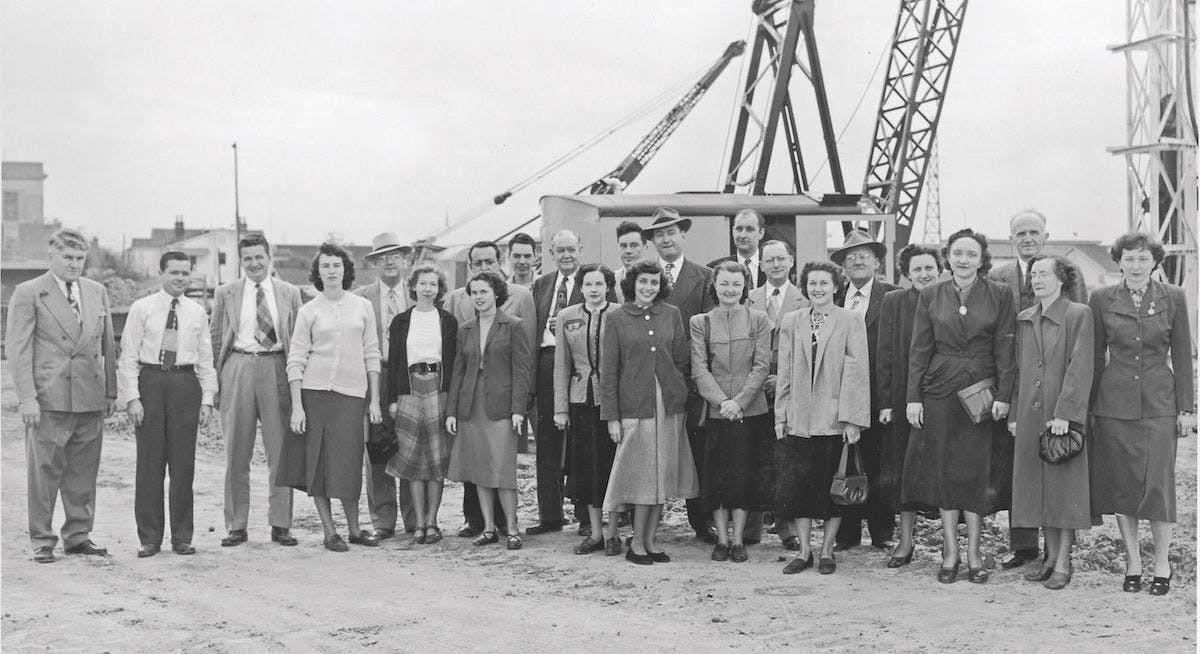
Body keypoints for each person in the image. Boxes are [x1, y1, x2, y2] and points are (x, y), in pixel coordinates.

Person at [905, 228, 1017, 584]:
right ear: (948, 257)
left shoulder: (999, 294)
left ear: (981, 259)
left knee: (975, 473)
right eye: (957, 253)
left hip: (981, 395)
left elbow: (1005, 349)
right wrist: (912, 397)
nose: (963, 260)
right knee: (945, 472)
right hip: (939, 392)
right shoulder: (931, 293)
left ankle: (974, 554)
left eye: (971, 254)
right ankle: (950, 553)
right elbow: (919, 349)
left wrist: (1004, 396)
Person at [1088, 231, 1194, 596]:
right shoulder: (1101, 299)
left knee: (1158, 486)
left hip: (1160, 405)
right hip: (1114, 407)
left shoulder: (1173, 297)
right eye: (1129, 258)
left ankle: (1161, 562)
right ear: (1118, 261)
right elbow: (1094, 358)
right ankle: (1133, 560)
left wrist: (1186, 408)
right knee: (1124, 486)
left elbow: (1182, 356)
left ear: (1154, 262)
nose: (1136, 265)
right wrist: (1090, 410)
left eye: (1143, 258)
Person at [6, 228, 117, 563]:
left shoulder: (97, 291)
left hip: (89, 397)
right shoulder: (29, 293)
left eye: (80, 258)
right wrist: (27, 398)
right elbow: (18, 349)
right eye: (67, 258)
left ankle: (78, 535)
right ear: (51, 257)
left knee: (83, 471)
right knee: (44, 472)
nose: (74, 264)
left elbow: (107, 344)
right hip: (49, 399)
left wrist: (110, 391)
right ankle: (42, 538)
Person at [988, 208, 1088, 569]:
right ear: (1011, 238)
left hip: (1058, 383)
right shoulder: (999, 276)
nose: (1027, 238)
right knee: (1022, 471)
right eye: (1021, 233)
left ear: (1046, 236)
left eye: (1034, 232)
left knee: (1057, 463)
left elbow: (1080, 331)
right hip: (1018, 382)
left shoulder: (1067, 275)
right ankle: (1024, 545)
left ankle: (1057, 554)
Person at [280, 243, 383, 552]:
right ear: (318, 271)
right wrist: (298, 407)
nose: (331, 270)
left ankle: (354, 529)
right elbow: (296, 359)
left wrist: (374, 400)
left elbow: (372, 353)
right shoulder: (308, 310)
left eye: (336, 265)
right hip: (315, 395)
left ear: (345, 269)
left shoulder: (362, 306)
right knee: (319, 464)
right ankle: (329, 532)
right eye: (325, 265)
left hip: (352, 396)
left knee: (350, 464)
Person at [118, 251, 217, 557]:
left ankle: (182, 537)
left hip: (184, 385)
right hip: (151, 382)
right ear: (161, 273)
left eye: (185, 273)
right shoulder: (142, 308)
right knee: (150, 464)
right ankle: (149, 538)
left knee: (183, 465)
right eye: (174, 272)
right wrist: (132, 397)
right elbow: (129, 355)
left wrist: (207, 399)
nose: (180, 279)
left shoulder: (197, 312)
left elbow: (205, 359)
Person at [774, 261, 870, 576]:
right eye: (812, 283)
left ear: (835, 286)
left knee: (832, 489)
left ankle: (827, 550)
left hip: (833, 419)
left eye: (824, 283)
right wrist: (781, 414)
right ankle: (804, 551)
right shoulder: (792, 321)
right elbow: (785, 369)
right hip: (798, 419)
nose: (818, 289)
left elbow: (857, 372)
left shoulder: (850, 320)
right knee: (799, 489)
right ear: (805, 286)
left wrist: (853, 419)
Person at [601, 261, 700, 565]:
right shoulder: (616, 318)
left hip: (669, 405)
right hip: (636, 406)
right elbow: (609, 372)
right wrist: (612, 417)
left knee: (662, 477)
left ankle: (650, 541)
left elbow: (683, 359)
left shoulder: (671, 314)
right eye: (644, 282)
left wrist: (680, 392)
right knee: (644, 478)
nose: (649, 288)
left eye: (654, 283)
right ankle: (637, 545)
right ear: (633, 283)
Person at [1007, 255, 1094, 590]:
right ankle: (1048, 557)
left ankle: (1063, 561)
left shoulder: (1078, 314)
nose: (1037, 279)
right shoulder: (1025, 318)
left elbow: (1081, 365)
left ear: (1061, 279)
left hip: (1061, 417)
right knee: (1039, 490)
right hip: (1031, 415)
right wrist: (1016, 412)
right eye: (1033, 274)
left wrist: (1066, 414)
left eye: (1044, 273)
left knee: (1063, 489)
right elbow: (1018, 370)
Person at [210, 233, 301, 547]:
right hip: (239, 367)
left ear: (269, 256)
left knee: (281, 451)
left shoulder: (290, 292)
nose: (254, 263)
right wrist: (216, 381)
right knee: (237, 450)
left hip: (277, 366)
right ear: (240, 261)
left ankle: (281, 524)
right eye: (247, 258)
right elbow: (215, 336)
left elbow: (299, 340)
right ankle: (237, 524)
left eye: (259, 257)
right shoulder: (226, 293)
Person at [443, 240, 536, 537]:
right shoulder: (465, 327)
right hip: (472, 404)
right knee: (479, 468)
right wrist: (453, 410)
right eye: (475, 293)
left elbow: (523, 369)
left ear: (497, 292)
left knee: (502, 468)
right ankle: (486, 527)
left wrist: (519, 408)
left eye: (485, 291)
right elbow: (458, 370)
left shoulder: (515, 321)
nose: (479, 297)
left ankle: (511, 528)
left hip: (501, 403)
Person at [643, 206, 716, 543]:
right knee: (650, 446)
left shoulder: (703, 275)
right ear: (653, 242)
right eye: (659, 234)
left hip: (688, 378)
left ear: (683, 235)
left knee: (695, 450)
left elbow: (706, 330)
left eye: (671, 232)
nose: (666, 239)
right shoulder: (644, 278)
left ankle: (700, 520)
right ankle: (646, 519)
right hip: (651, 379)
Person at [692, 262, 772, 562]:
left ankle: (738, 540)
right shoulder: (700, 322)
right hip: (716, 414)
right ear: (715, 286)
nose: (729, 290)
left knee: (743, 478)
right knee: (716, 478)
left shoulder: (759, 319)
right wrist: (721, 402)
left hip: (748, 413)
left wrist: (738, 402)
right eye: (724, 284)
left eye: (736, 284)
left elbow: (762, 366)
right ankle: (722, 540)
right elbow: (699, 368)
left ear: (745, 286)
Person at [831, 229, 900, 551]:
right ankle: (847, 533)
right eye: (850, 256)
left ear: (876, 262)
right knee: (844, 460)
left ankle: (882, 532)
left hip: (878, 394)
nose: (857, 260)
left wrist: (888, 398)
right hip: (840, 395)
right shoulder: (832, 297)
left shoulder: (893, 297)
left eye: (864, 255)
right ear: (843, 265)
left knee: (878, 461)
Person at [875, 244, 942, 568]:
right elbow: (885, 353)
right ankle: (905, 539)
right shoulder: (894, 301)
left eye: (929, 267)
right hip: (904, 399)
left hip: (944, 398)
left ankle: (951, 545)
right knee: (904, 469)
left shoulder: (950, 299)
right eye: (917, 269)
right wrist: (886, 402)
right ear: (907, 273)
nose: (924, 274)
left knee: (945, 469)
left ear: (939, 269)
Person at [386, 263, 458, 545]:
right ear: (413, 287)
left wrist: (451, 399)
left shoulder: (447, 320)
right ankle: (417, 522)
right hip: (409, 389)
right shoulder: (401, 321)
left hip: (438, 389)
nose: (428, 289)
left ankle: (432, 521)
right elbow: (393, 363)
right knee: (412, 459)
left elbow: (453, 362)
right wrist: (393, 399)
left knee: (436, 459)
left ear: (439, 289)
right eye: (423, 283)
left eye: (433, 284)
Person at [553, 264, 620, 555]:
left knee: (613, 467)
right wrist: (561, 408)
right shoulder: (567, 317)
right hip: (581, 401)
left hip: (613, 401)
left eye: (600, 284)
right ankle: (595, 533)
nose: (594, 289)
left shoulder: (620, 314)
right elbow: (561, 365)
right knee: (588, 468)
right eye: (588, 284)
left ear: (608, 286)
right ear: (580, 288)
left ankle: (615, 532)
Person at [746, 239, 808, 550]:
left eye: (781, 259)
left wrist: (782, 379)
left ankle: (788, 527)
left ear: (791, 261)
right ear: (761, 265)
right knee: (756, 457)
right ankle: (753, 525)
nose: (776, 265)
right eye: (769, 261)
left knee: (787, 459)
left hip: (788, 389)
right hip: (755, 390)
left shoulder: (804, 300)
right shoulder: (750, 298)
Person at [355, 233, 417, 542]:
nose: (389, 261)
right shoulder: (361, 297)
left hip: (410, 377)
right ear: (373, 264)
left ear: (407, 260)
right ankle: (382, 517)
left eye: (395, 255)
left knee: (409, 444)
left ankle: (414, 516)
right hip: (375, 375)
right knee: (377, 446)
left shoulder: (420, 294)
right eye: (382, 257)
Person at [529, 229, 585, 536]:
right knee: (547, 444)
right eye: (560, 250)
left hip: (578, 367)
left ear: (580, 249)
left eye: (571, 249)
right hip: (546, 363)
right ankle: (550, 516)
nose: (566, 255)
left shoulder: (591, 280)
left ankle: (583, 515)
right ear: (551, 253)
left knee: (579, 441)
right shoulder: (542, 284)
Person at [707, 209, 767, 287]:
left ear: (761, 233)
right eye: (739, 229)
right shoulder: (713, 269)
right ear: (733, 231)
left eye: (749, 229)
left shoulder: (774, 266)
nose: (743, 235)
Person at [614, 220, 648, 302]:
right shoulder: (612, 280)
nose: (628, 251)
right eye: (623, 246)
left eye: (634, 245)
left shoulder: (657, 277)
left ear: (645, 248)